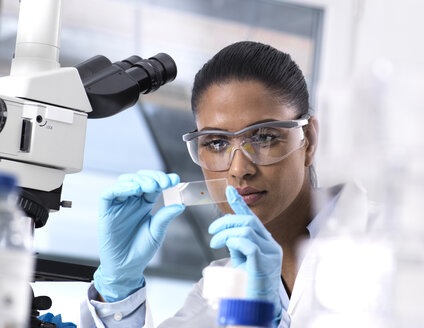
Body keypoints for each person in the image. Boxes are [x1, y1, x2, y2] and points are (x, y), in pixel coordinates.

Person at [79, 41, 374, 328]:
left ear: (307, 140)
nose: (239, 169)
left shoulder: (387, 241)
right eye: (216, 142)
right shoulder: (217, 289)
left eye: (263, 137)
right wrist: (118, 294)